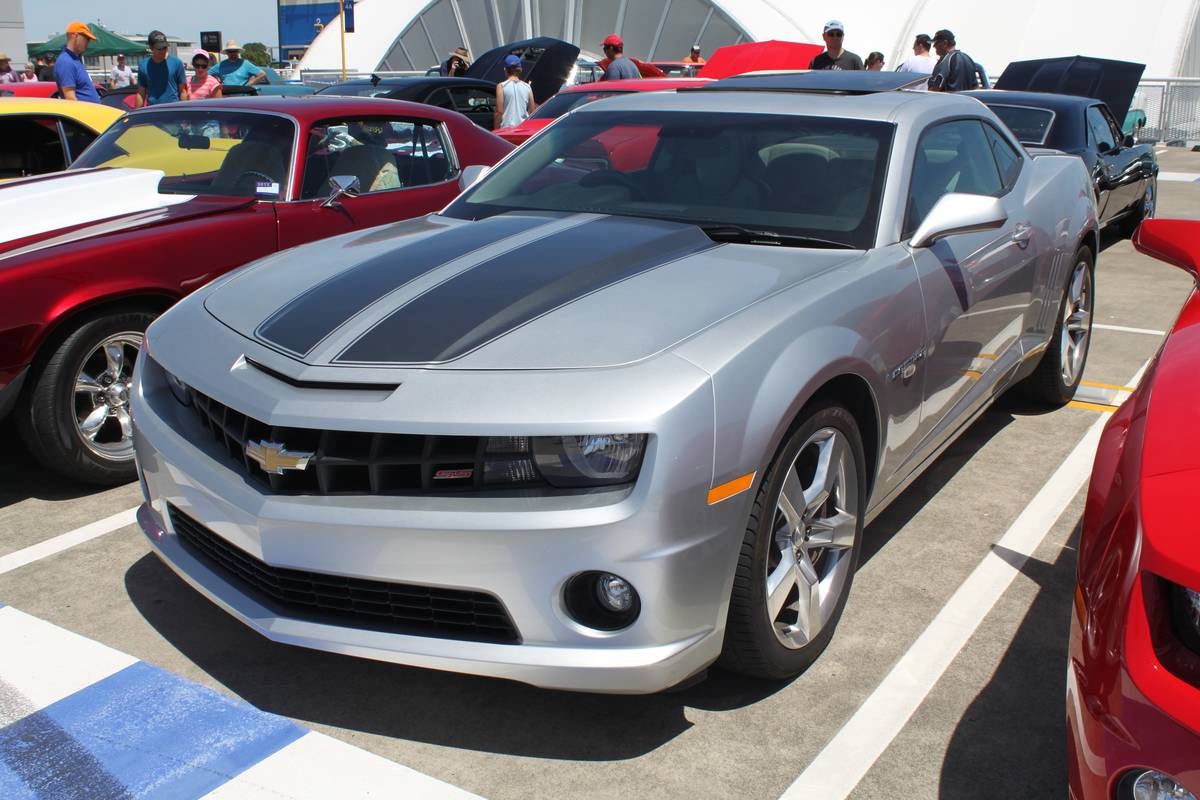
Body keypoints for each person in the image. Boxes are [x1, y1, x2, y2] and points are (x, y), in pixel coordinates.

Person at [137, 30, 187, 106]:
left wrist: (184, 111)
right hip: (152, 110)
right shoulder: (143, 65)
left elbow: (182, 91)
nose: (163, 50)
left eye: (164, 47)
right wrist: (138, 113)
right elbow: (141, 93)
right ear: (151, 48)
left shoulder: (177, 63)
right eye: (159, 48)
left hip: (173, 109)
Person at [55, 22, 100, 102]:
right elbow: (70, 98)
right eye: (86, 38)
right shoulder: (66, 62)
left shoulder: (74, 59)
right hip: (84, 113)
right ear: (75, 36)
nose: (88, 43)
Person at [495, 54, 536, 129]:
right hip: (523, 129)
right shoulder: (527, 87)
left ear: (505, 70)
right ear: (520, 69)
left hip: (507, 130)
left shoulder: (501, 86)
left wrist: (495, 131)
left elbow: (499, 112)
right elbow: (532, 110)